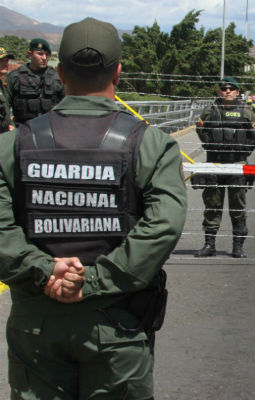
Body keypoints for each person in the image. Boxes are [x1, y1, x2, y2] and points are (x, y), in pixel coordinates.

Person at [0, 17, 187, 399]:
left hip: (37, 321)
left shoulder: (13, 146)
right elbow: (163, 227)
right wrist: (96, 281)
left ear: (61, 73)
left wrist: (45, 269)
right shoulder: (150, 145)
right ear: (118, 72)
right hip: (116, 322)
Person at [195, 77, 255, 258]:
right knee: (212, 206)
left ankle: (238, 247)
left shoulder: (246, 112)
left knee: (237, 208)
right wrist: (209, 145)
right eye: (224, 88)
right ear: (219, 91)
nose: (228, 91)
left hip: (237, 166)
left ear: (237, 92)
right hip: (215, 165)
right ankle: (209, 245)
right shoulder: (210, 111)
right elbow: (200, 128)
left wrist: (244, 152)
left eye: (232, 89)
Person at [5, 38, 65, 125]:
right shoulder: (15, 77)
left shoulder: (57, 77)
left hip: (50, 129)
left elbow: (66, 104)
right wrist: (10, 124)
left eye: (47, 55)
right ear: (30, 54)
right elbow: (5, 105)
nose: (44, 58)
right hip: (22, 129)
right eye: (40, 54)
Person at [0, 47, 14, 132]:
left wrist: (10, 124)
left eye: (6, 61)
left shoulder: (2, 84)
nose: (5, 64)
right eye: (1, 61)